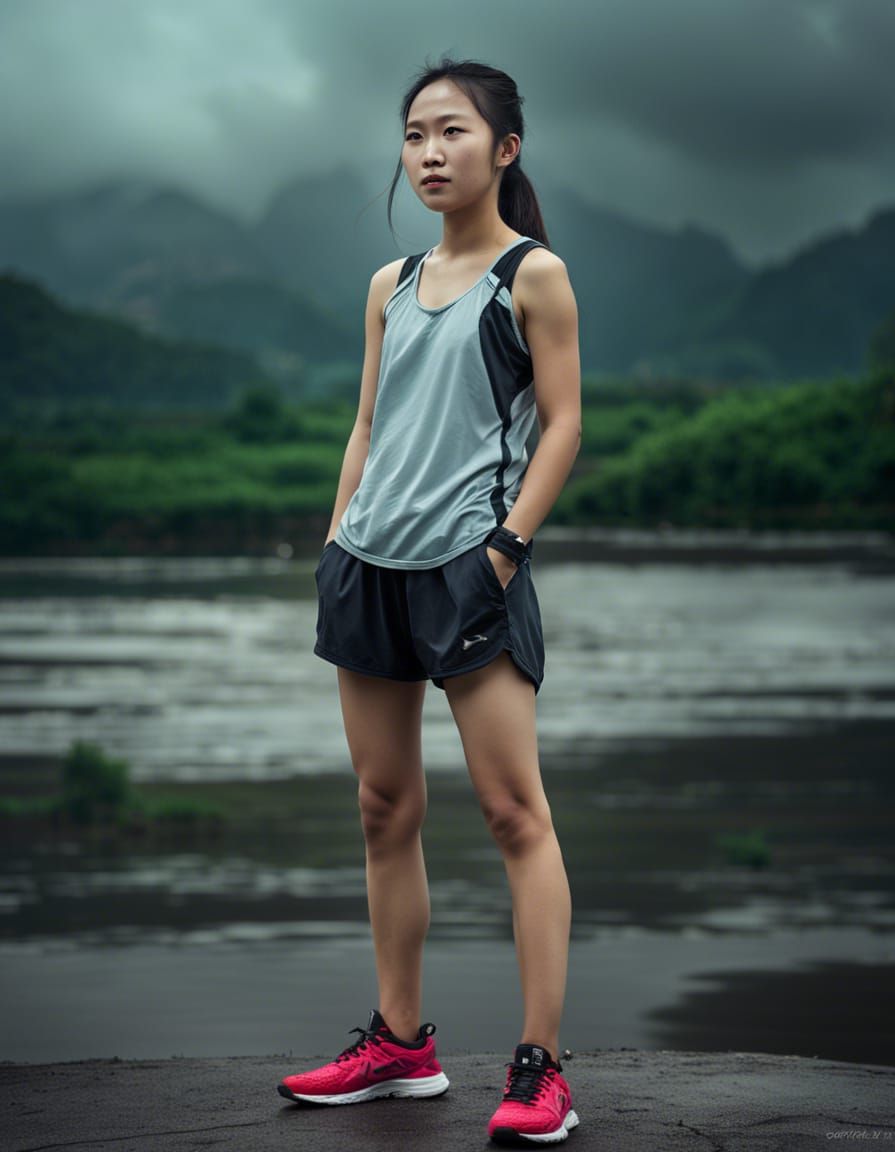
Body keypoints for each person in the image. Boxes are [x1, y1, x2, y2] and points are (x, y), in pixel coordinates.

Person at [278, 56, 582, 1145]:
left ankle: (541, 1069)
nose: (429, 153)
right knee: (381, 809)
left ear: (505, 148)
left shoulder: (531, 276)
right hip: (368, 568)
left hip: (467, 570)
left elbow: (563, 424)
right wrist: (334, 541)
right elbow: (367, 423)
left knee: (512, 814)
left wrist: (503, 553)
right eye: (414, 135)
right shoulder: (390, 284)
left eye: (452, 131)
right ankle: (400, 1046)